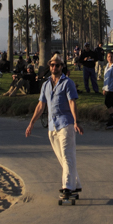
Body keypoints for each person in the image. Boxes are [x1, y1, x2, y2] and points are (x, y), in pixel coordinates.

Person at [25, 55, 83, 199]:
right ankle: (75, 184)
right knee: (62, 157)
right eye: (52, 65)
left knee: (67, 154)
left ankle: (67, 187)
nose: (54, 67)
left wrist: (76, 121)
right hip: (52, 126)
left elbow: (72, 102)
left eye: (57, 65)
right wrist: (31, 123)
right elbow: (40, 105)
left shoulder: (67, 83)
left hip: (66, 124)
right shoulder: (46, 85)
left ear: (62, 66)